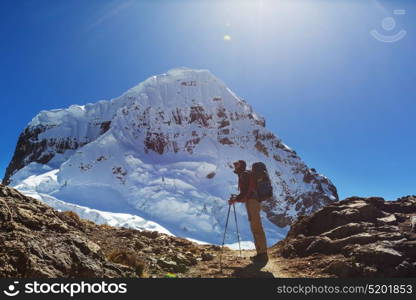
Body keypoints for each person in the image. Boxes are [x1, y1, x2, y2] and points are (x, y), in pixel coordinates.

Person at [229, 160, 268, 262]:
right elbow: (246, 192)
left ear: (241, 166)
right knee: (255, 226)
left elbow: (247, 192)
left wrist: (235, 200)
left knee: (256, 225)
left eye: (236, 164)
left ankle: (263, 254)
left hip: (252, 202)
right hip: (253, 201)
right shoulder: (245, 175)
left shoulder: (244, 175)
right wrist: (237, 198)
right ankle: (260, 252)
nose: (234, 166)